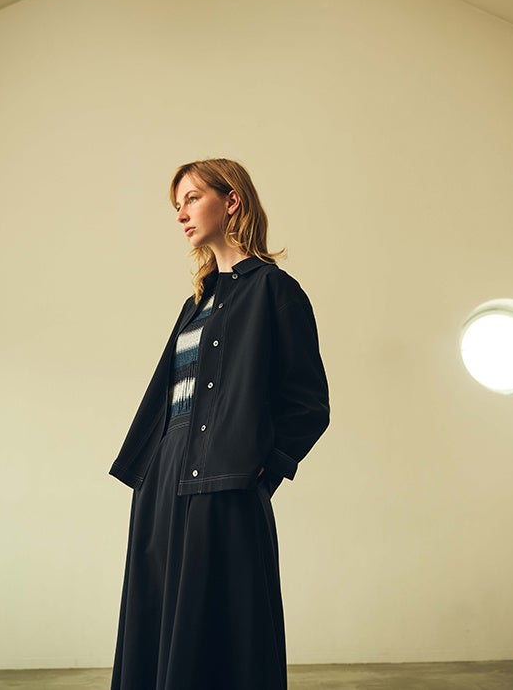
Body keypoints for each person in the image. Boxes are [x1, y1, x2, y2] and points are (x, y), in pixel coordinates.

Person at [109, 158, 330, 690]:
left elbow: (308, 403)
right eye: (177, 205)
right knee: (158, 618)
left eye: (192, 198)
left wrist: (265, 468)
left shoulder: (275, 290)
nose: (181, 214)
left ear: (231, 201)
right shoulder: (199, 301)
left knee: (226, 624)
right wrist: (152, 470)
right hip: (164, 478)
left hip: (226, 479)